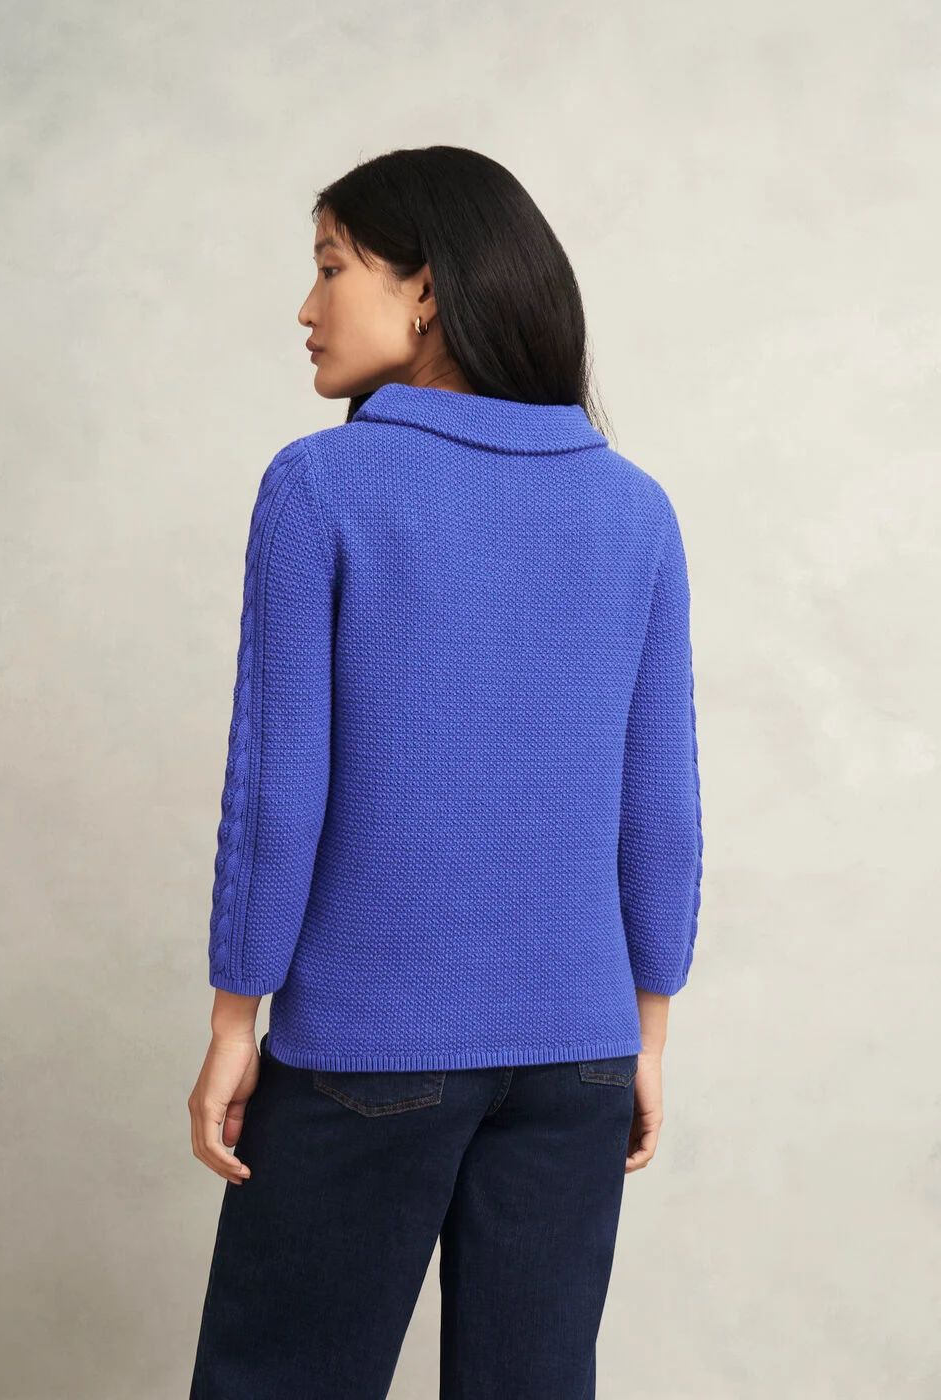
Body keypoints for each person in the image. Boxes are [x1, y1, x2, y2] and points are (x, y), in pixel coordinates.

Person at [187, 145, 704, 1400]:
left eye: (329, 267)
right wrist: (643, 1030)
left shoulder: (320, 485)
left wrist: (234, 1017)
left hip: (370, 1045)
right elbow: (661, 808)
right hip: (581, 1057)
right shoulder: (635, 507)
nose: (306, 307)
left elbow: (277, 788)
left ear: (424, 287)